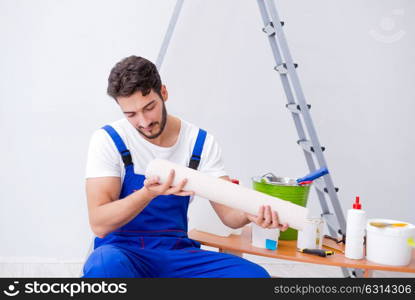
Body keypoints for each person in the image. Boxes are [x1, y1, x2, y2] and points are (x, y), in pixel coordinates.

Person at [82, 55, 288, 278]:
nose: (143, 122)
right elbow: (99, 224)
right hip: (123, 254)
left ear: (164, 93)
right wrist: (146, 194)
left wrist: (250, 213)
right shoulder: (109, 140)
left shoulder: (198, 143)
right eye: (131, 114)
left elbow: (229, 215)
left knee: (253, 276)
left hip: (177, 255)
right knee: (104, 265)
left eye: (149, 107)